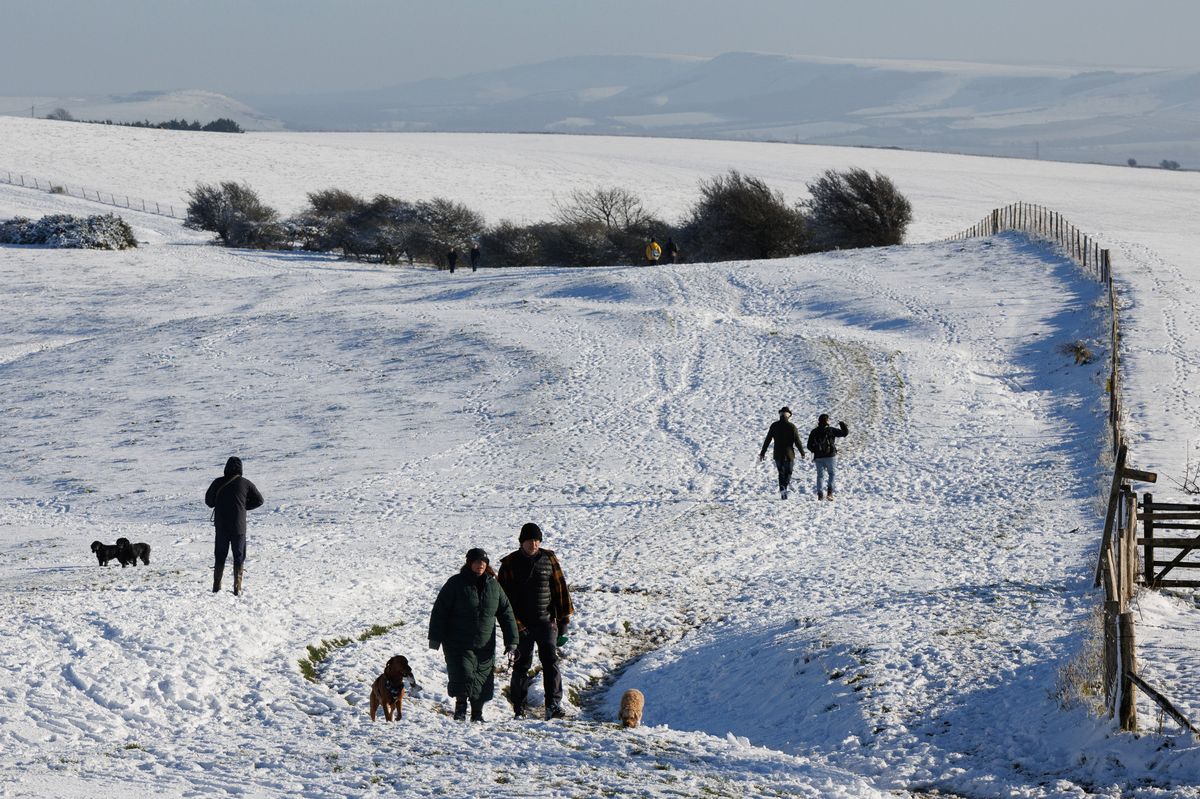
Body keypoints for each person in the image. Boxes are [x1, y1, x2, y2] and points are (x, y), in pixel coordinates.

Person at [428, 548, 518, 722]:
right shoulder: (455, 583)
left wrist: (511, 640)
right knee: (463, 673)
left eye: (484, 562)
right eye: (477, 562)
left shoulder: (493, 585)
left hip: (485, 644)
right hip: (458, 642)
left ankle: (477, 714)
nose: (481, 565)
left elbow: (506, 612)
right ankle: (460, 708)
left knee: (482, 678)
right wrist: (435, 637)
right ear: (469, 563)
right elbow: (440, 611)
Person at [497, 523, 574, 720]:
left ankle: (554, 705)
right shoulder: (509, 564)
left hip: (546, 622)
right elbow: (503, 600)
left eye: (537, 540)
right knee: (521, 665)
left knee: (551, 662)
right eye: (530, 540)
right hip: (521, 625)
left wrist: (563, 624)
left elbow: (560, 591)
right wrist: (515, 626)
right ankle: (519, 708)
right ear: (522, 542)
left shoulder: (549, 559)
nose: (534, 544)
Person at [204, 456, 263, 596]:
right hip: (239, 526)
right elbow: (260, 500)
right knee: (239, 556)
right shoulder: (246, 483)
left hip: (221, 526)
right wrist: (244, 506)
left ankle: (216, 586)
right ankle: (237, 588)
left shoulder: (218, 482)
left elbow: (208, 501)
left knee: (220, 555)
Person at [758, 407, 805, 499]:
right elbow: (797, 441)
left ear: (780, 414)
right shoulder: (792, 426)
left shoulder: (774, 425)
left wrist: (763, 452)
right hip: (789, 454)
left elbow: (767, 440)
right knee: (789, 472)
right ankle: (785, 486)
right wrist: (802, 452)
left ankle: (783, 490)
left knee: (781, 473)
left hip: (778, 454)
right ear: (788, 415)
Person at [806, 413, 850, 500]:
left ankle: (820, 495)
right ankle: (829, 493)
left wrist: (816, 451)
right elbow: (845, 433)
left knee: (820, 476)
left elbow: (808, 446)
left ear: (819, 421)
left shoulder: (814, 431)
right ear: (827, 421)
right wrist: (842, 424)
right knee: (832, 474)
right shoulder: (831, 430)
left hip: (818, 457)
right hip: (830, 456)